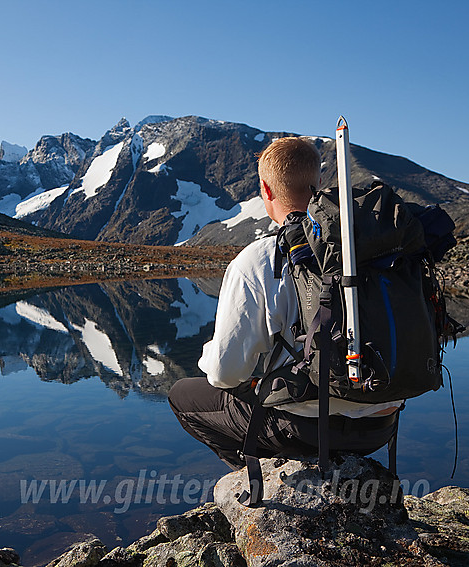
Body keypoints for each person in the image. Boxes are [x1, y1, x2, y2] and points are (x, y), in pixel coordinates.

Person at [168, 136, 401, 470]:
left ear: (265, 188)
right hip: (380, 426)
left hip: (304, 430)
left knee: (182, 395)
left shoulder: (260, 259)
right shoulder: (369, 248)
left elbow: (224, 373)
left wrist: (215, 361)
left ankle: (265, 483)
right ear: (319, 183)